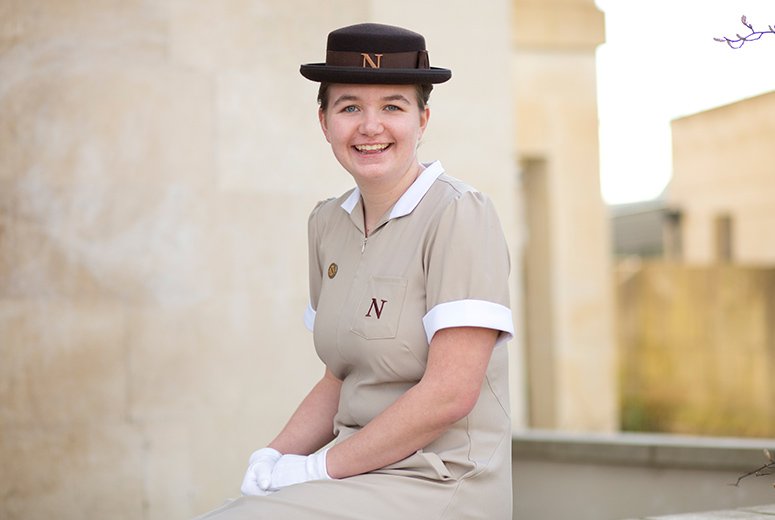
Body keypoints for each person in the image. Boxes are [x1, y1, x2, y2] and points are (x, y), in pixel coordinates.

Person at [194, 22, 515, 520]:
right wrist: (276, 455)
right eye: (349, 107)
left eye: (393, 106)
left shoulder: (459, 214)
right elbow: (339, 377)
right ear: (323, 122)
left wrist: (317, 468)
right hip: (354, 475)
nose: (371, 126)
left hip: (438, 479)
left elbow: (451, 393)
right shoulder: (327, 223)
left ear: (423, 119)